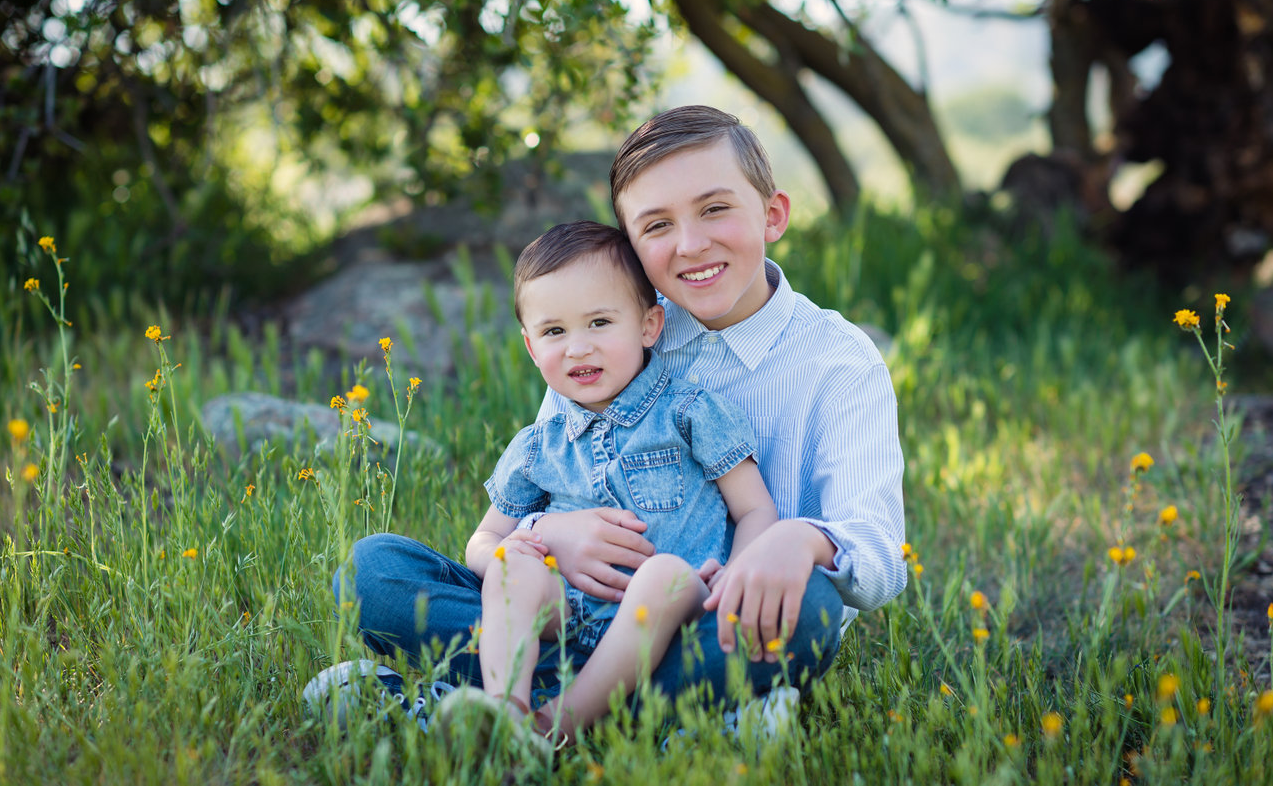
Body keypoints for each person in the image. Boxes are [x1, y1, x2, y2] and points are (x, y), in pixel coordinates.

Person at [314, 105, 905, 732]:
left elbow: (882, 552)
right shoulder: (608, 330)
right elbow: (550, 469)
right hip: (569, 613)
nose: (691, 243)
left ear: (773, 214)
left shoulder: (839, 362)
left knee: (810, 607)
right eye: (657, 226)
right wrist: (550, 531)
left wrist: (801, 539)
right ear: (632, 249)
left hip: (712, 618)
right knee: (373, 574)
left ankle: (492, 714)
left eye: (715, 209)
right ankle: (653, 714)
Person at [432, 220, 777, 745]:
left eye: (598, 323)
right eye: (554, 332)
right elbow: (481, 542)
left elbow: (755, 510)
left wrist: (735, 575)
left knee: (664, 572)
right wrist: (527, 542)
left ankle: (555, 725)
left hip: (677, 605)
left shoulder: (688, 412)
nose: (577, 348)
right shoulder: (536, 445)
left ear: (648, 326)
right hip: (570, 615)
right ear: (530, 346)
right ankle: (507, 710)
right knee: (503, 566)